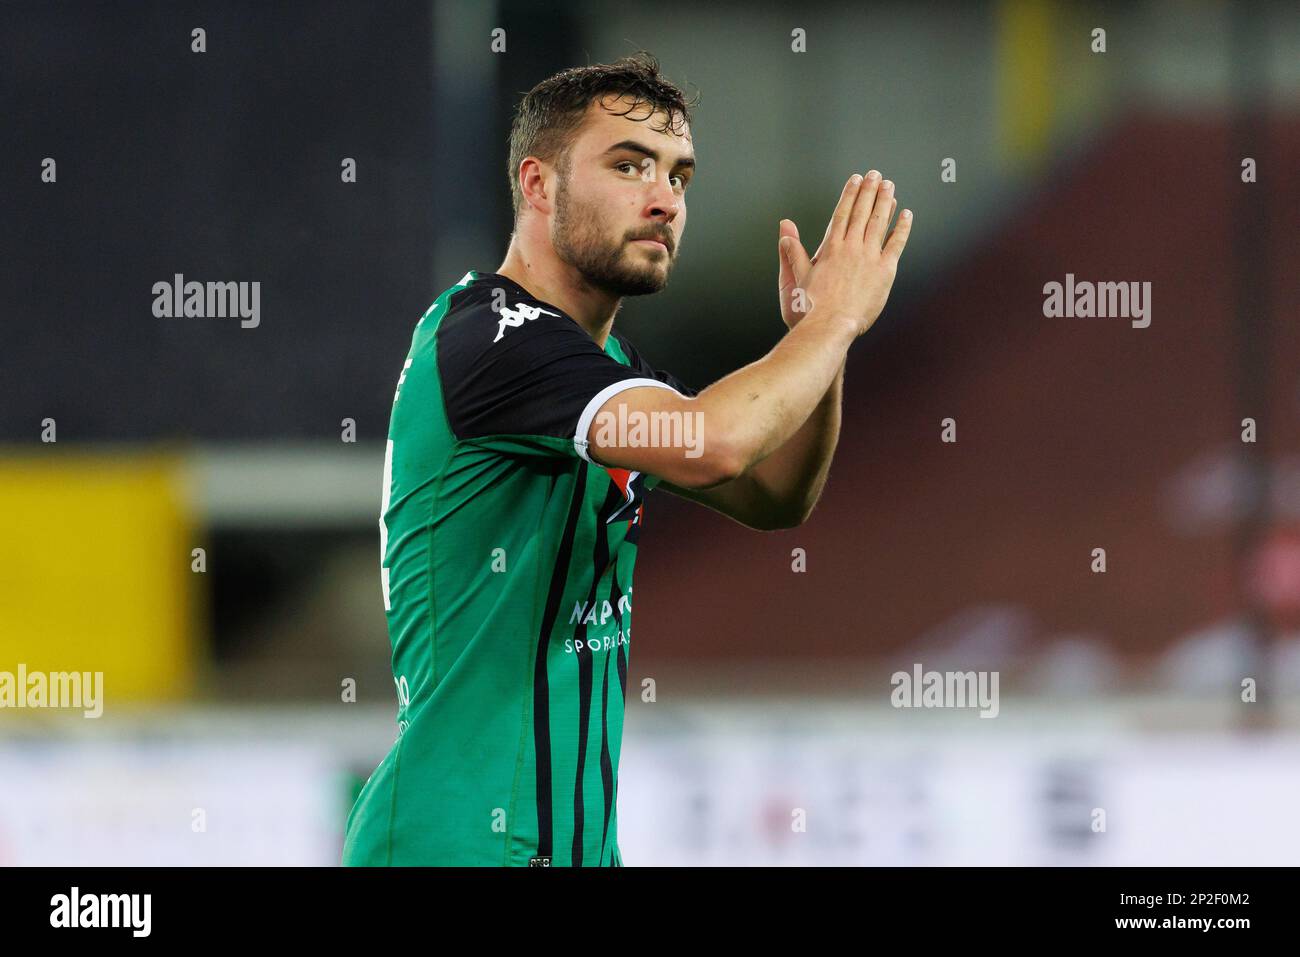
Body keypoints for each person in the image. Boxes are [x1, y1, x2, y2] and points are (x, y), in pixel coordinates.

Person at [343, 52, 911, 866]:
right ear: (538, 185)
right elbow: (715, 442)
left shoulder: (604, 372)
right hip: (459, 838)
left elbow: (776, 492)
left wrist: (824, 338)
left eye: (680, 176)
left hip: (566, 846)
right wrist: (834, 325)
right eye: (629, 165)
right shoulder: (491, 338)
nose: (664, 199)